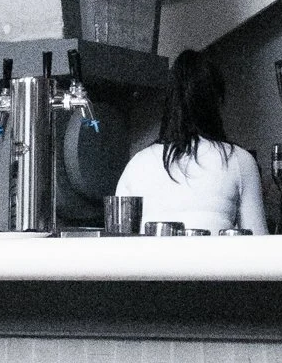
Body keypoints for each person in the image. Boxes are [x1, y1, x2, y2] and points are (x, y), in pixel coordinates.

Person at [115, 49, 268, 232]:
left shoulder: (137, 164)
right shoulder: (240, 161)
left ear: (169, 100)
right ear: (216, 102)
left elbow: (118, 247)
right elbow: (260, 244)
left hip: (154, 260)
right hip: (217, 260)